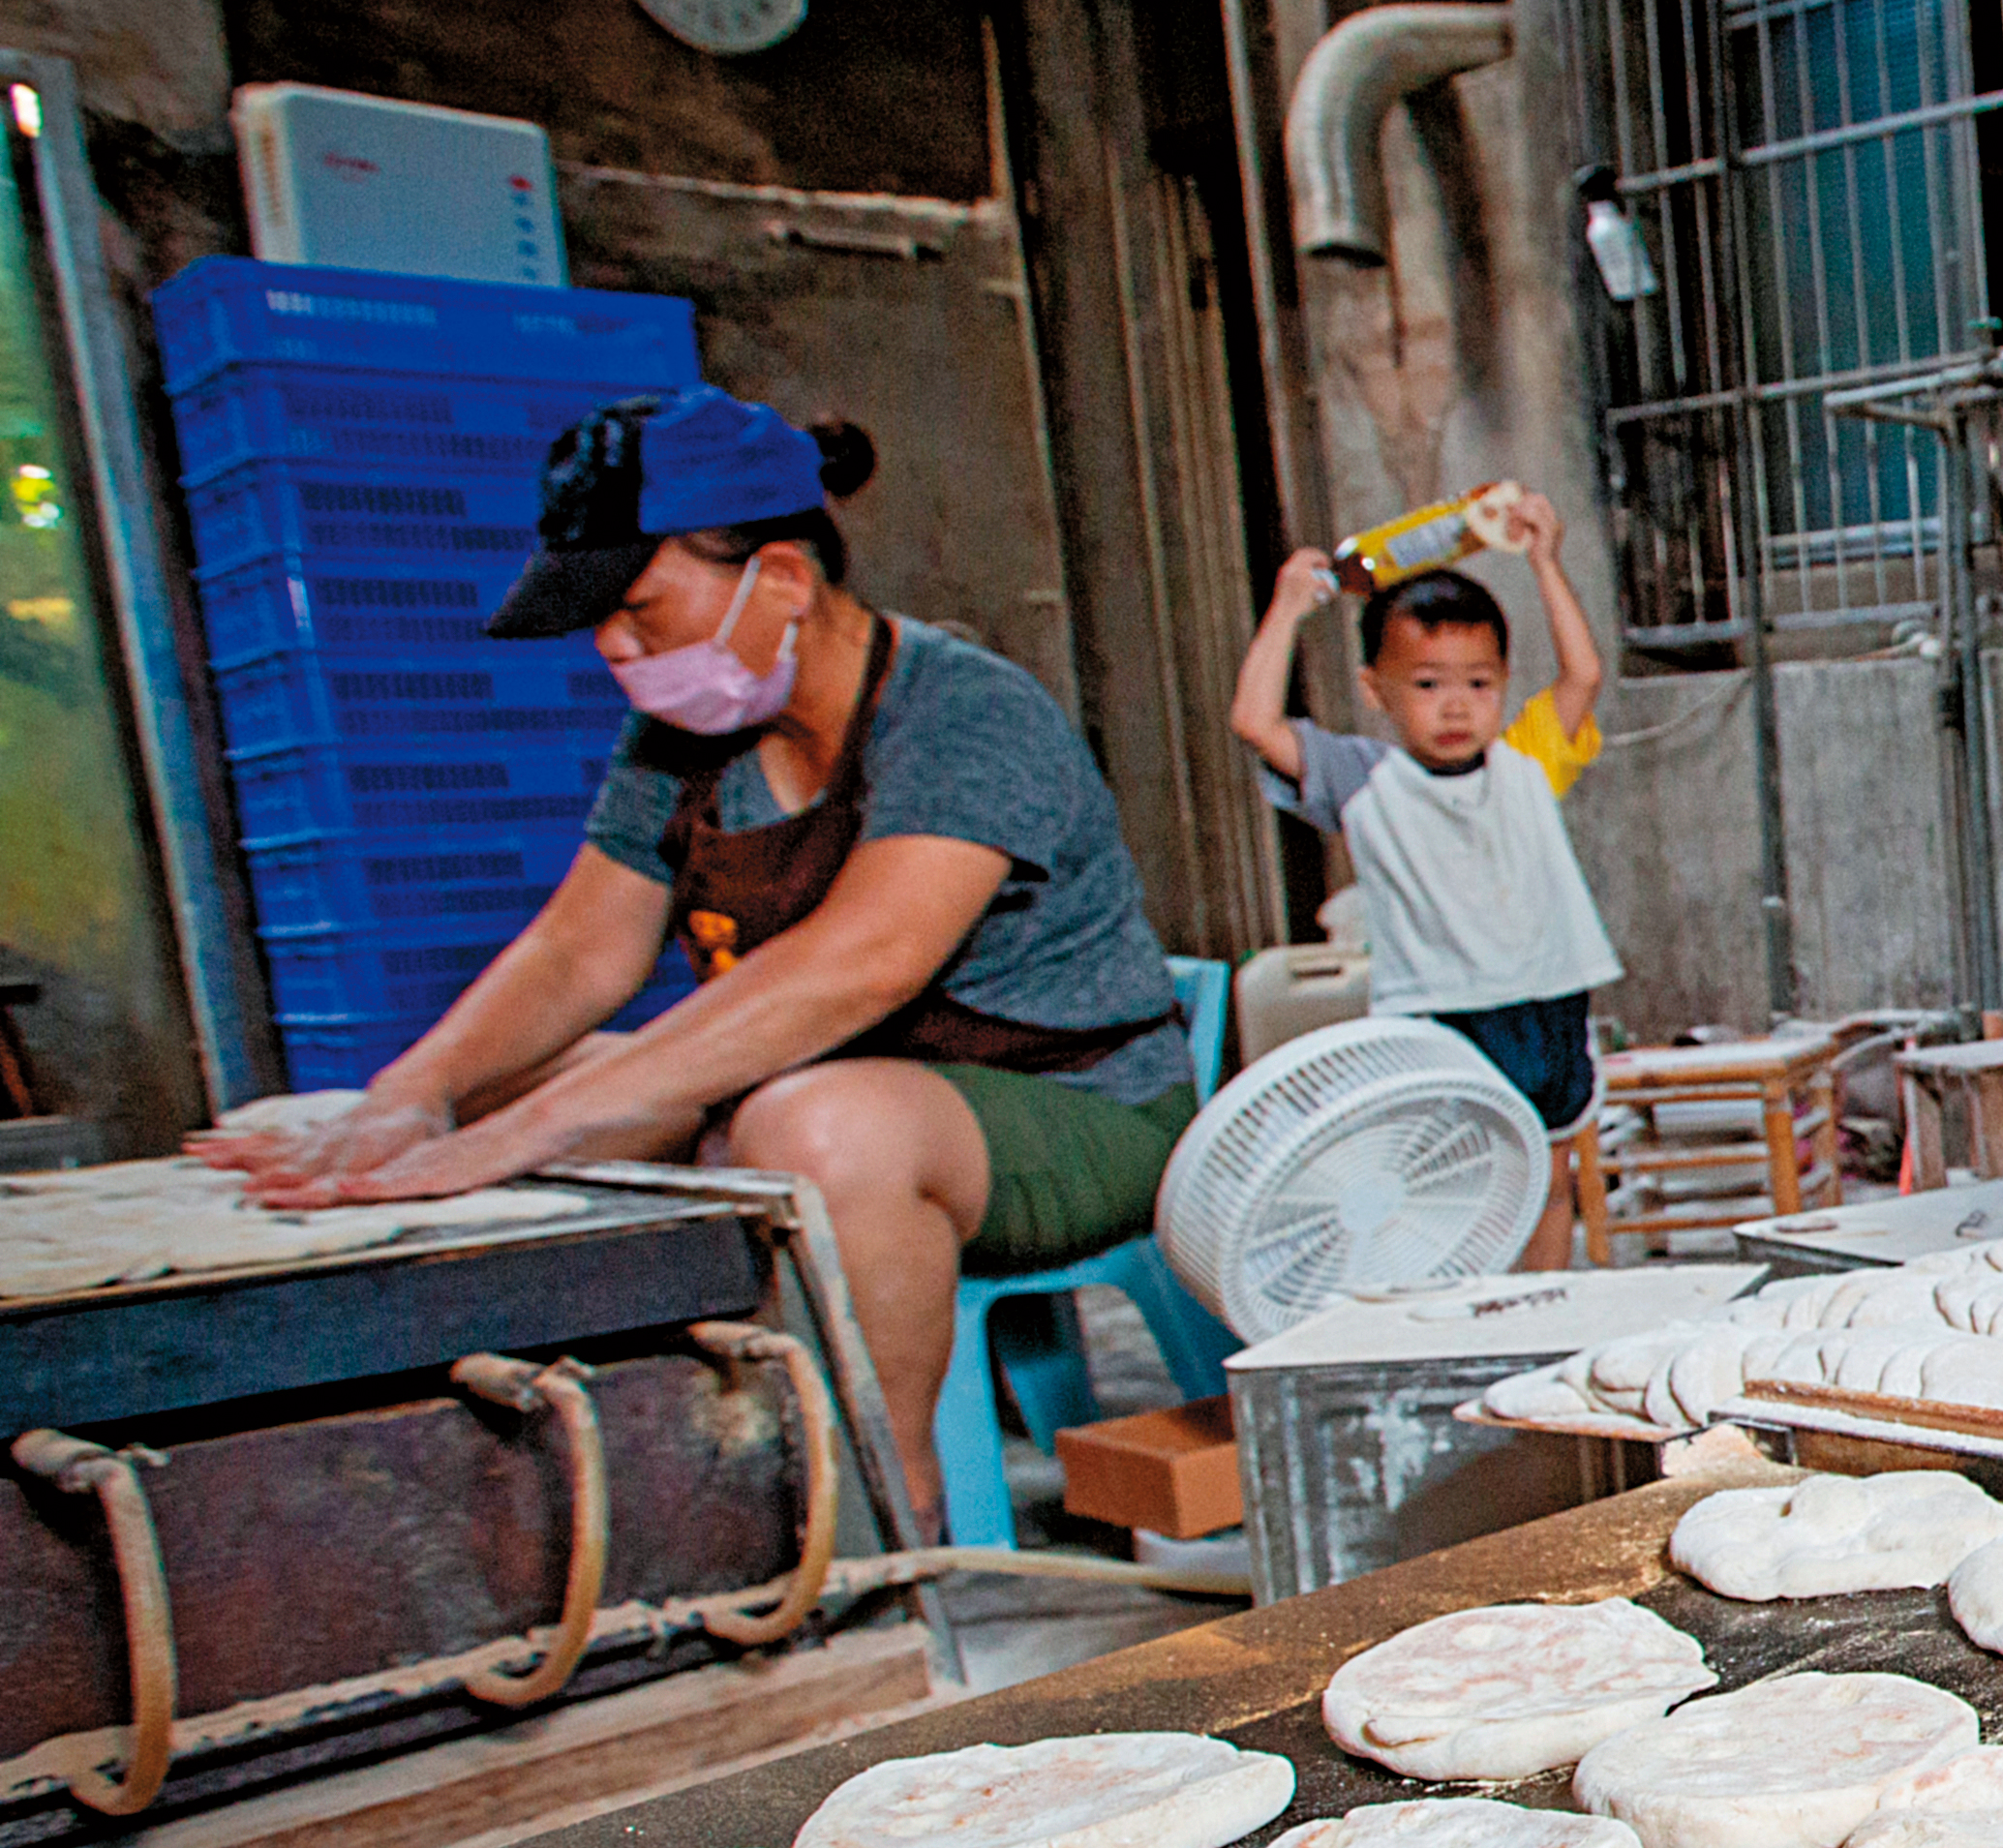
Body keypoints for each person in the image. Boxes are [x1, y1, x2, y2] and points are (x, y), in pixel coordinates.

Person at [200, 386, 1194, 1526]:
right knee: (513, 1090)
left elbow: (862, 964)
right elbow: (579, 950)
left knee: (805, 1129)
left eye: (641, 611)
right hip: (820, 1090)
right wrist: (412, 1096)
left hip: (1077, 1113)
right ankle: (632, 1483)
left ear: (782, 579)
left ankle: (887, 1516)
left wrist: (524, 1134)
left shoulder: (965, 712)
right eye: (602, 623)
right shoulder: (684, 741)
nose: (615, 649)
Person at [1229, 497, 1620, 1255]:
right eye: (1428, 684)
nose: (1455, 707)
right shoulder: (1362, 779)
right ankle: (1469, 1316)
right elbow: (1255, 721)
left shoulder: (1527, 760)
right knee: (1457, 1191)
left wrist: (1543, 561)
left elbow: (1584, 671)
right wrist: (1287, 608)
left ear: (1503, 682)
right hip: (1438, 1013)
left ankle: (1544, 1310)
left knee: (1548, 1180)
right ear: (1375, 689)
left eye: (1478, 684)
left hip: (1546, 997)